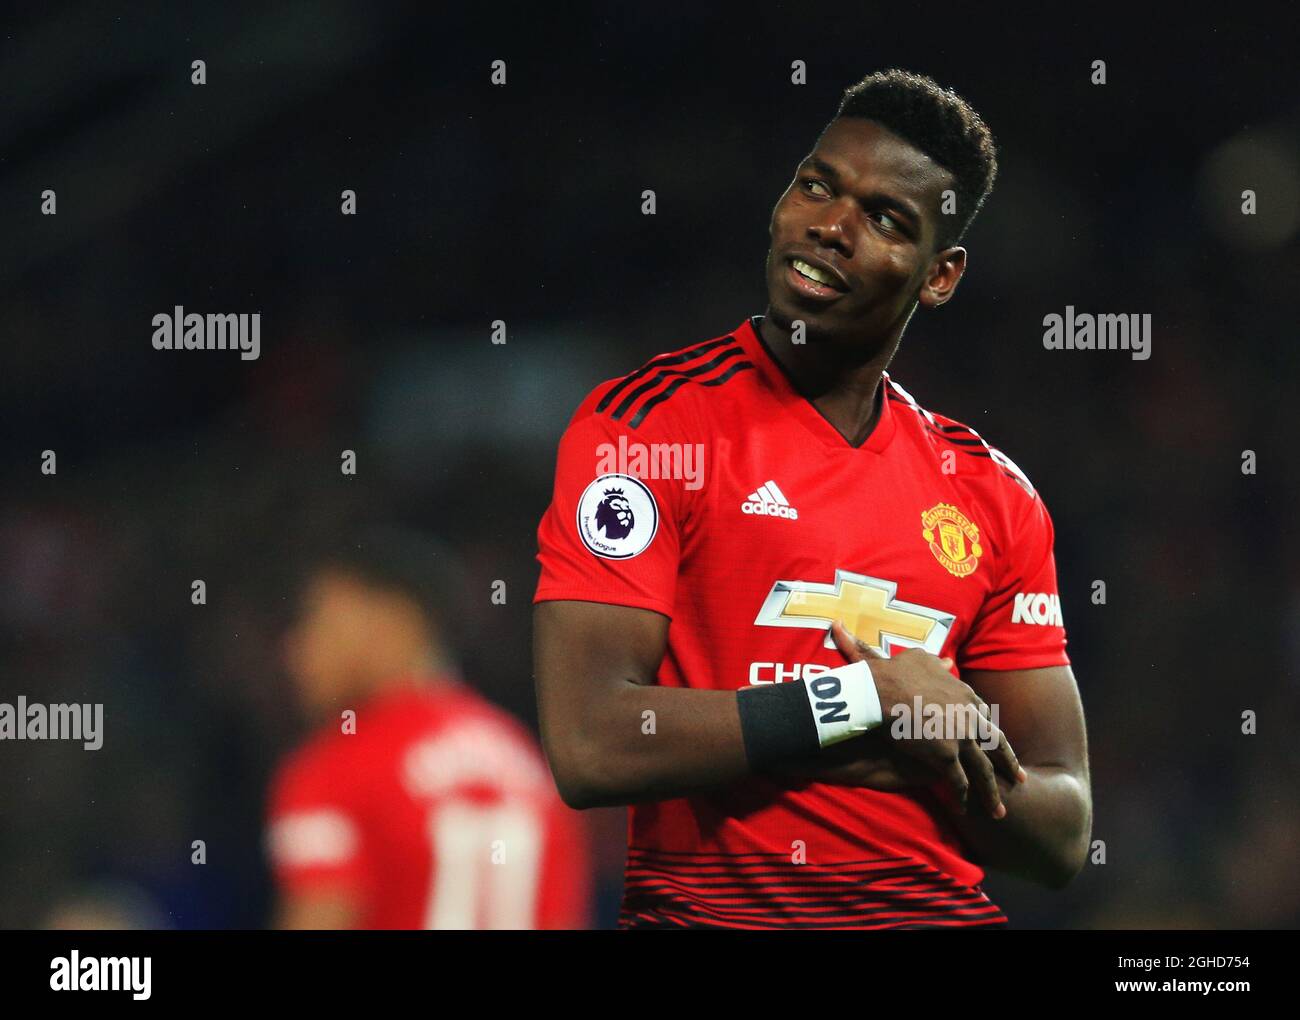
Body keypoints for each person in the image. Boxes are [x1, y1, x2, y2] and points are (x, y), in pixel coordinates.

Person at [533, 69, 1091, 928]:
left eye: (884, 219)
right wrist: (865, 704)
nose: (831, 226)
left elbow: (1061, 831)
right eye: (817, 185)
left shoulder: (992, 494)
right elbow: (591, 743)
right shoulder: (645, 430)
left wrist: (893, 736)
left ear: (939, 277)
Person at [268, 529, 589, 928]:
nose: (297, 648)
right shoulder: (528, 765)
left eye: (318, 618)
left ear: (390, 620)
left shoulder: (338, 767)